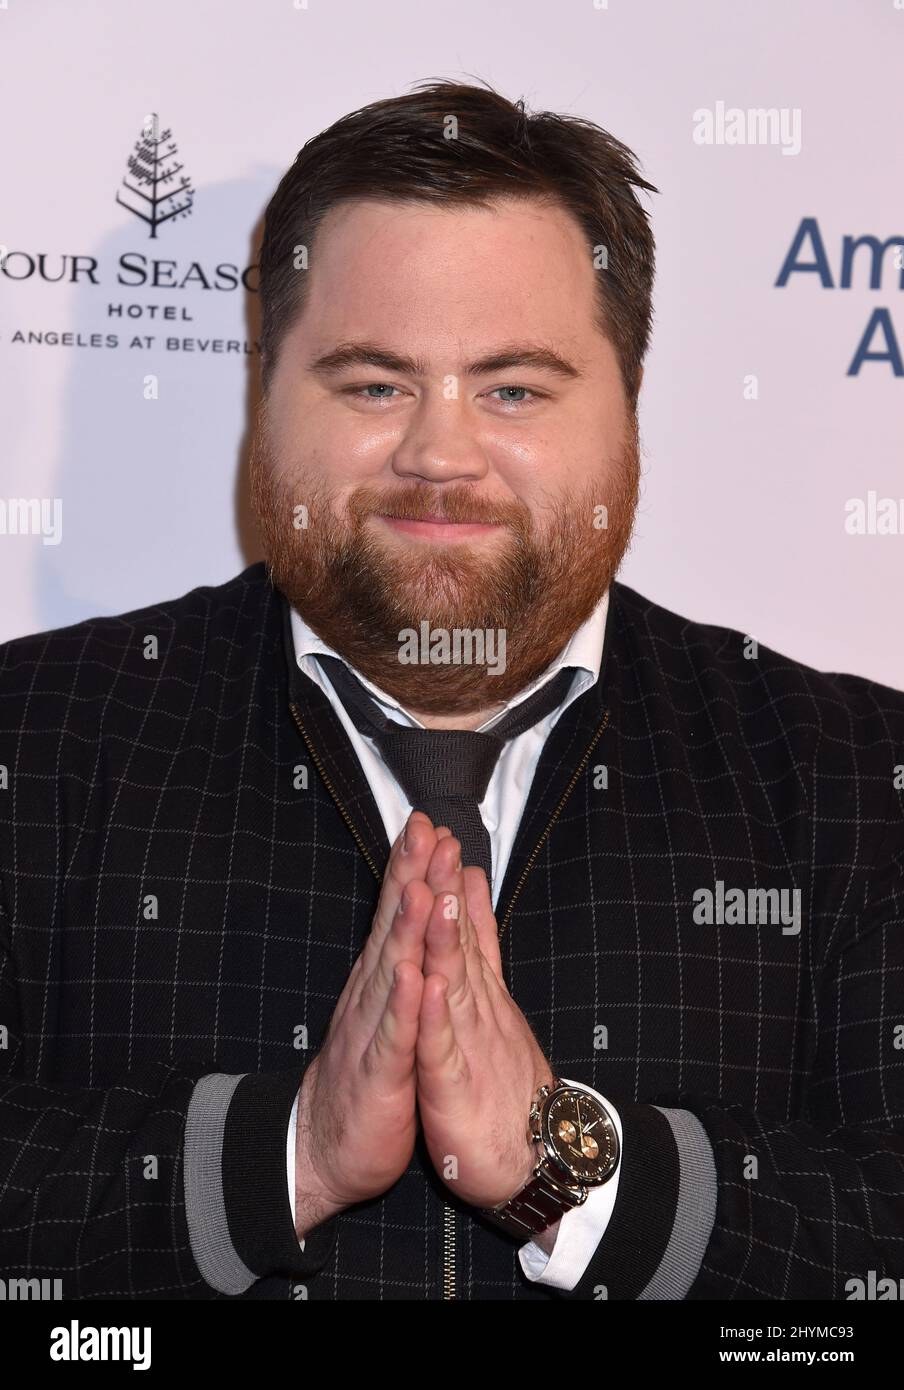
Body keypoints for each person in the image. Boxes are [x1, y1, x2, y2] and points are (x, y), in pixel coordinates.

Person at [1, 78, 902, 1302]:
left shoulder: (851, 776)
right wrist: (286, 1158)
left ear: (630, 402)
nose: (440, 453)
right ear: (262, 388)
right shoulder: (36, 742)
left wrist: (576, 1180)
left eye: (515, 388)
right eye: (372, 383)